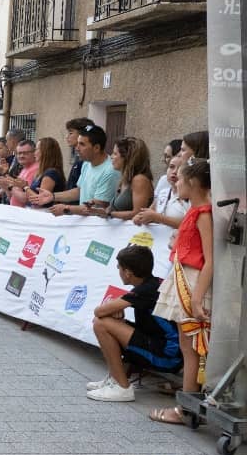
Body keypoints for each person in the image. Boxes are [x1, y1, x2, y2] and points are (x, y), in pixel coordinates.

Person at [148, 159, 213, 426]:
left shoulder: (204, 214)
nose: (177, 184)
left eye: (182, 180)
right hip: (184, 276)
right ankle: (190, 404)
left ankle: (185, 407)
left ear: (193, 182)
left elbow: (210, 259)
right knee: (189, 347)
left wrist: (197, 298)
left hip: (193, 282)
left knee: (192, 348)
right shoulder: (195, 211)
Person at [86, 245, 181, 402]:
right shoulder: (151, 283)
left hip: (167, 356)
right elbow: (110, 308)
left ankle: (122, 387)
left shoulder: (145, 290)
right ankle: (115, 379)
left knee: (101, 323)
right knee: (110, 322)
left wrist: (113, 310)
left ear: (128, 273)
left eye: (119, 267)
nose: (118, 270)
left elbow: (99, 312)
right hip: (163, 346)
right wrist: (115, 310)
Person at [34, 124, 120, 213]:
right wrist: (53, 196)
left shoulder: (110, 171)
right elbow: (79, 191)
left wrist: (67, 209)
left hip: (96, 221)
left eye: (82, 144)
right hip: (85, 219)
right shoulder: (87, 163)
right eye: (78, 143)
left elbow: (98, 205)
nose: (77, 148)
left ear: (96, 148)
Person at [133, 154, 189, 229]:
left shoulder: (189, 196)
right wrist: (140, 218)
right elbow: (149, 214)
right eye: (171, 167)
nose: (174, 172)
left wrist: (157, 217)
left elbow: (189, 225)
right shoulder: (163, 193)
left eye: (180, 169)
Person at [17, 137, 65, 209]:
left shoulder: (51, 173)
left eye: (36, 149)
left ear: (45, 152)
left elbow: (40, 201)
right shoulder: (43, 171)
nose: (34, 153)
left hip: (44, 213)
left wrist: (25, 187)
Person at [63, 117, 94, 190]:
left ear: (82, 134)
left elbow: (80, 191)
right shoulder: (79, 158)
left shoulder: (87, 161)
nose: (67, 137)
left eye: (70, 133)